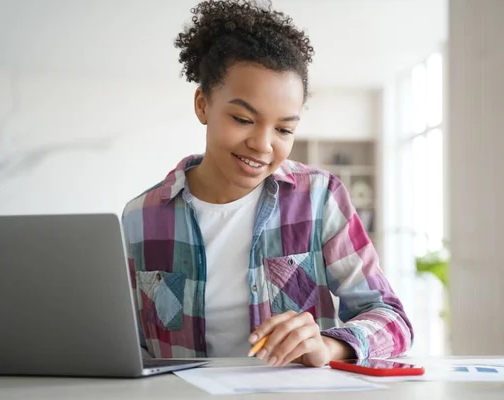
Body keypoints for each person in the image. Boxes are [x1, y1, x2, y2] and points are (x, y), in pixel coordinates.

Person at [121, 0, 413, 368]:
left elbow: (393, 319)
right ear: (202, 105)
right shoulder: (141, 217)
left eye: (284, 129)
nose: (262, 144)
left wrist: (328, 346)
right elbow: (124, 342)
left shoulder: (320, 198)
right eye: (243, 118)